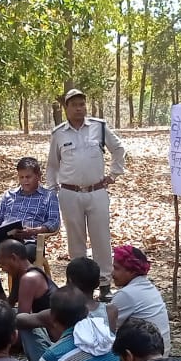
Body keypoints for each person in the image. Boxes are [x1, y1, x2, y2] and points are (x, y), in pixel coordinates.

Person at [47, 88, 127, 299]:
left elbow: (118, 149)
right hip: (69, 193)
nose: (79, 109)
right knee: (76, 241)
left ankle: (104, 283)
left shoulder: (99, 127)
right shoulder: (59, 133)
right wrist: (52, 191)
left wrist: (114, 174)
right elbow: (52, 165)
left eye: (82, 104)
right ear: (66, 108)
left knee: (101, 238)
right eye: (74, 105)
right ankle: (79, 285)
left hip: (96, 191)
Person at [0, 157, 61, 299]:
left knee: (21, 257)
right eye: (21, 177)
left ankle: (15, 298)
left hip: (29, 242)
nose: (25, 181)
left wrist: (34, 231)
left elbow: (54, 222)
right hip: (5, 241)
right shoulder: (9, 195)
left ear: (38, 176)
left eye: (28, 177)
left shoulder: (48, 196)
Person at [0, 239, 57, 361]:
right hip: (47, 328)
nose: (2, 269)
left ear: (13, 258)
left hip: (54, 340)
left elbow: (21, 320)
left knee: (22, 321)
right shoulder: (23, 274)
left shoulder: (29, 278)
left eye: (3, 264)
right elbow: (9, 305)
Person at [110, 245, 171, 354]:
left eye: (116, 268)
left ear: (132, 272)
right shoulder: (148, 287)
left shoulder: (126, 294)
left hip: (145, 357)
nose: (112, 273)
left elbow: (104, 328)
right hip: (161, 353)